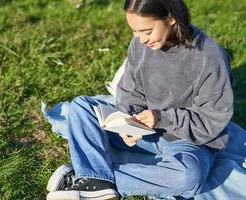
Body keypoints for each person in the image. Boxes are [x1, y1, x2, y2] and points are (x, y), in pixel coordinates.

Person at [46, 0, 234, 199]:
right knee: (81, 107)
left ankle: (85, 177)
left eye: (146, 31)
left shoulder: (210, 57)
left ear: (171, 18)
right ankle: (93, 179)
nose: (141, 39)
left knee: (187, 176)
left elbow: (211, 121)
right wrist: (127, 123)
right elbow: (130, 92)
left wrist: (162, 118)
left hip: (189, 141)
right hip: (145, 131)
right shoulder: (139, 45)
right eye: (134, 31)